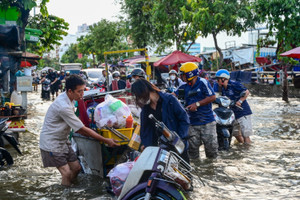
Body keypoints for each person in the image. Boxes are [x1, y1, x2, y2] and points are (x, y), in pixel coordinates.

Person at [39, 74, 119, 187]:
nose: (82, 95)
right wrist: (105, 140)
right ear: (70, 91)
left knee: (76, 168)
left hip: (63, 140)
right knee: (66, 173)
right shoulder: (63, 106)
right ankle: (65, 193)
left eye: (83, 91)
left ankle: (69, 187)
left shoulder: (67, 97)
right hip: (51, 143)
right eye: (79, 92)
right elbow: (82, 130)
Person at [131, 79, 190, 163]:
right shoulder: (145, 109)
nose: (139, 99)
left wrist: (180, 138)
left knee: (184, 172)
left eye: (140, 96)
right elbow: (145, 131)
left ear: (145, 90)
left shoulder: (169, 100)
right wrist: (147, 146)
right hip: (160, 150)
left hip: (178, 145)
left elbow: (184, 119)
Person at [175, 62, 218, 159]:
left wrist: (197, 104)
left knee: (212, 153)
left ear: (190, 74)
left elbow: (212, 97)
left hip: (207, 122)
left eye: (183, 74)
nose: (181, 76)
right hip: (192, 124)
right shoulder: (183, 86)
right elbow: (172, 95)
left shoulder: (203, 82)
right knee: (192, 154)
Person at [215, 69, 253, 144]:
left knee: (245, 134)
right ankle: (242, 147)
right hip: (233, 113)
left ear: (223, 79)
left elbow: (246, 91)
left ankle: (247, 149)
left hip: (243, 112)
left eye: (218, 79)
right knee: (236, 134)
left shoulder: (234, 84)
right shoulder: (223, 89)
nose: (217, 81)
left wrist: (240, 101)